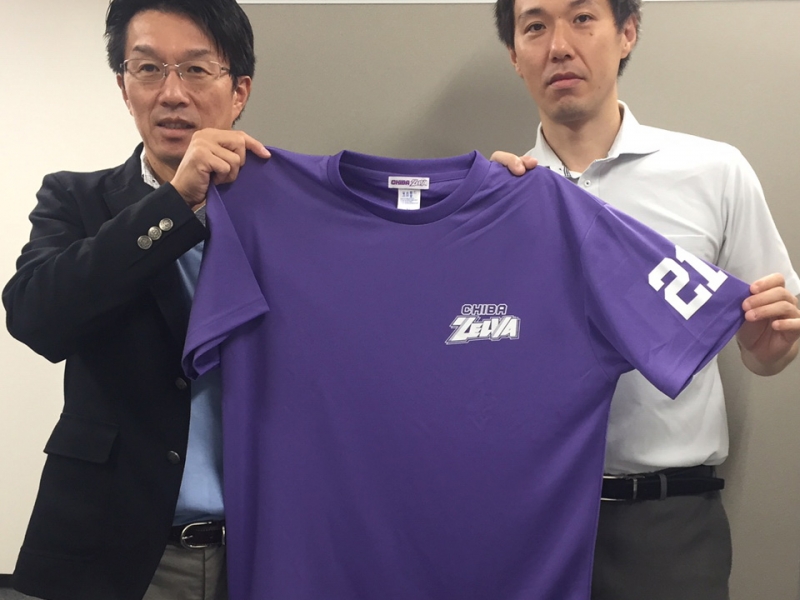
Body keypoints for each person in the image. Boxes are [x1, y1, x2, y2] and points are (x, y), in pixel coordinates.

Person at [491, 0, 800, 598]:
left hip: (669, 527)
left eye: (583, 18)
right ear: (515, 55)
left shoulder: (713, 171)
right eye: (535, 26)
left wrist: (771, 348)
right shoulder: (493, 199)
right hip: (530, 520)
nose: (559, 45)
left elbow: (768, 347)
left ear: (627, 33)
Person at [3, 0, 269, 599]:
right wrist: (173, 206)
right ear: (125, 88)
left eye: (196, 69)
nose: (171, 93)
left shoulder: (288, 218)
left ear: (239, 90)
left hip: (262, 547)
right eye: (148, 69)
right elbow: (36, 317)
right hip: (109, 550)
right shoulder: (74, 199)